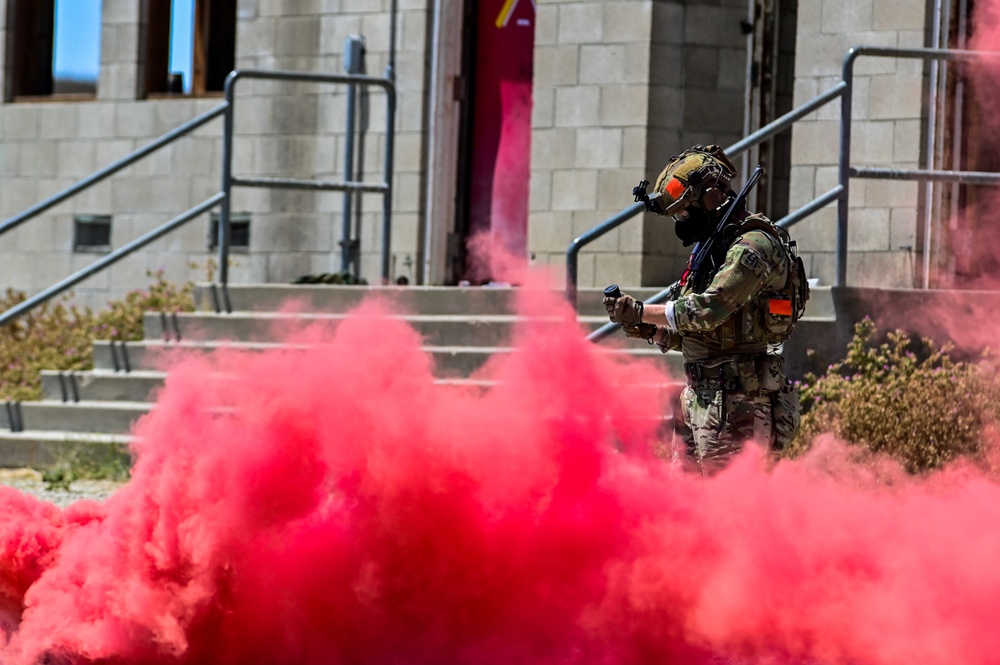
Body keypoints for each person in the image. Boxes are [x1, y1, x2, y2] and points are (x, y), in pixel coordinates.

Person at [604, 145, 809, 476]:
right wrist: (649, 329)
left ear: (711, 197)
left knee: (730, 510)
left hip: (736, 403)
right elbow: (694, 333)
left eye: (685, 213)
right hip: (700, 398)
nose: (682, 222)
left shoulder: (752, 245)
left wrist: (642, 312)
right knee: (686, 511)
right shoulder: (714, 247)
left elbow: (708, 311)